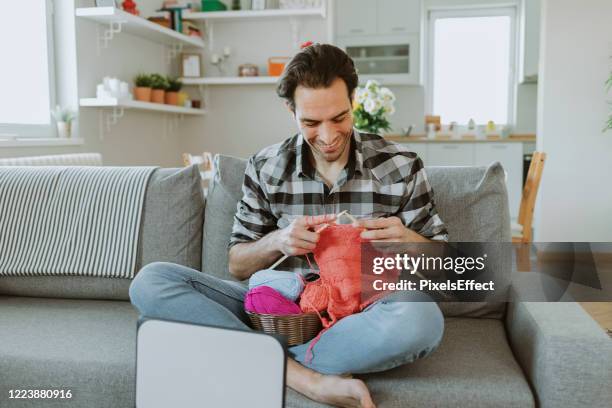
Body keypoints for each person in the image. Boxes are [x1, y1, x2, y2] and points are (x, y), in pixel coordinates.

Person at [130, 43, 448, 408]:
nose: (328, 136)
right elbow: (236, 264)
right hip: (271, 307)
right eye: (311, 123)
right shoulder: (266, 167)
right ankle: (305, 378)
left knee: (422, 318)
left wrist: (409, 241)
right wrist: (277, 241)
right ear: (290, 110)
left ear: (354, 100)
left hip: (361, 312)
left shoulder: (401, 166)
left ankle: (250, 353)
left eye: (339, 118)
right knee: (152, 281)